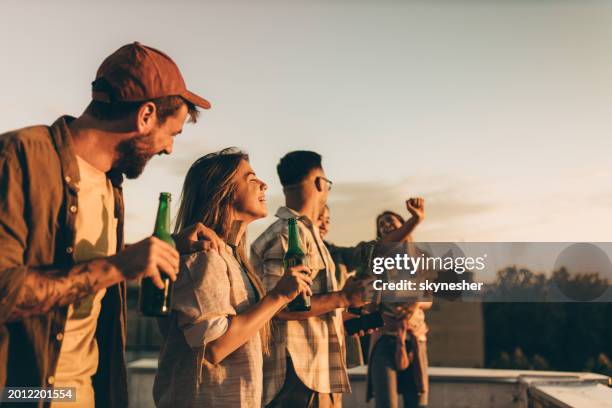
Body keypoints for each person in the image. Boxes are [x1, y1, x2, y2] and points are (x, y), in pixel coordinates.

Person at [0, 42, 222, 407]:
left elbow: (78, 264)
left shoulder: (109, 184)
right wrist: (119, 266)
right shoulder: (18, 158)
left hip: (87, 393)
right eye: (172, 134)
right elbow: (5, 290)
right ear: (145, 115)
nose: (168, 149)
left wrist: (159, 248)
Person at [153, 148, 312, 407]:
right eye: (251, 178)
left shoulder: (234, 259)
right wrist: (279, 295)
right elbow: (216, 346)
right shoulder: (204, 254)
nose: (263, 184)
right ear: (223, 191)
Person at [251, 151, 370, 408]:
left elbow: (304, 305)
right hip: (299, 380)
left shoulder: (307, 233)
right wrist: (343, 297)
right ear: (319, 183)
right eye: (326, 184)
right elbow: (277, 308)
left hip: (315, 377)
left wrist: (344, 317)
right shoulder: (286, 233)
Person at [366, 200, 432, 408]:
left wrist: (414, 305)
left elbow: (428, 299)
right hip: (384, 340)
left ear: (403, 224)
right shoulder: (377, 259)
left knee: (416, 403)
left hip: (414, 338)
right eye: (381, 225)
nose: (385, 225)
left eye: (389, 221)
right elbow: (367, 297)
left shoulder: (421, 258)